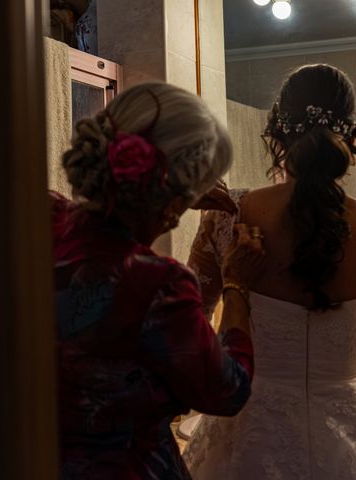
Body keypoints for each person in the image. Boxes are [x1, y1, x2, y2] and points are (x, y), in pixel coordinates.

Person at [184, 64, 356, 479]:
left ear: (277, 132)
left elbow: (185, 332)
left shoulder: (230, 216)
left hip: (249, 432)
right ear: (352, 137)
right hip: (355, 432)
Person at [53, 82, 266, 479]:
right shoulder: (157, 283)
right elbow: (228, 389)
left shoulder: (43, 221)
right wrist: (236, 284)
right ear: (179, 197)